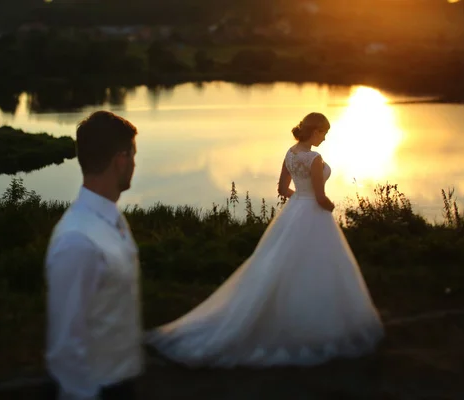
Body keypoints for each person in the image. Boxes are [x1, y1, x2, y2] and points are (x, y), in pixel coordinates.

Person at [145, 112, 385, 367]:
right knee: (316, 267)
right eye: (324, 133)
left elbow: (283, 189)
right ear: (314, 132)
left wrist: (300, 200)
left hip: (293, 213)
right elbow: (320, 197)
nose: (325, 138)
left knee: (281, 264)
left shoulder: (291, 153)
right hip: (312, 215)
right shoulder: (315, 158)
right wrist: (329, 206)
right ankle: (314, 324)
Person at [45, 110, 142, 400]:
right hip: (99, 391)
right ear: (120, 159)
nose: (135, 164)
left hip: (123, 382)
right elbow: (65, 347)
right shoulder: (77, 241)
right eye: (133, 155)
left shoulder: (112, 219)